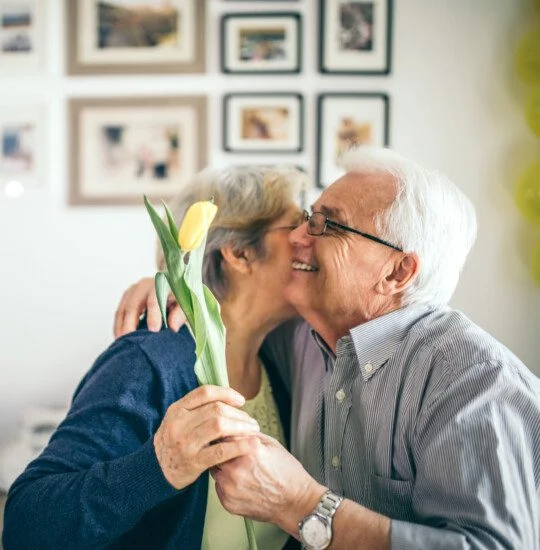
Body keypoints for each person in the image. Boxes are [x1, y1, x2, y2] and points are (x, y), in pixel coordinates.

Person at [114, 147, 540, 549]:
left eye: (327, 224)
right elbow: (233, 307)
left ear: (397, 271)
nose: (299, 236)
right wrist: (176, 286)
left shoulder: (475, 379)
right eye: (306, 217)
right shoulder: (299, 333)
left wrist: (300, 505)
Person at [2, 165, 309, 550]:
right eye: (295, 225)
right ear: (241, 253)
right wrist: (159, 466)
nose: (308, 239)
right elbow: (26, 525)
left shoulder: (285, 357)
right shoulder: (147, 362)